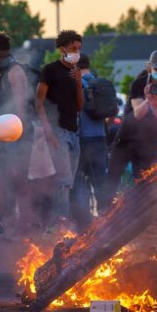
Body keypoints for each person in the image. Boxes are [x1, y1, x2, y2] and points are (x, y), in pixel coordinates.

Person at [104, 50, 157, 207]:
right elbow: (137, 114)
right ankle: (102, 214)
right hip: (125, 139)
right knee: (112, 179)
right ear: (149, 68)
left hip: (147, 143)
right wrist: (148, 99)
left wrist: (155, 102)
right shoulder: (138, 83)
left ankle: (138, 219)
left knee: (143, 183)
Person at [0, 31, 30, 238]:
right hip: (3, 136)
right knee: (3, 180)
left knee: (16, 181)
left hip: (15, 136)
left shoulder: (14, 71)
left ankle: (18, 227)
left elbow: (20, 106)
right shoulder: (1, 72)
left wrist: (15, 137)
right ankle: (7, 226)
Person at [36, 30, 84, 229]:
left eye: (79, 48)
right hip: (58, 131)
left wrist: (79, 82)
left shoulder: (75, 72)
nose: (76, 52)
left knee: (69, 182)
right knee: (63, 181)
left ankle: (60, 222)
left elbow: (80, 106)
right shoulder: (50, 70)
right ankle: (59, 224)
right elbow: (39, 102)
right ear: (62, 49)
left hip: (74, 132)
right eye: (73, 48)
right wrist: (48, 130)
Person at [70, 54, 109, 229]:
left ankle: (84, 226)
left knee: (80, 183)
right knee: (101, 182)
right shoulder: (100, 83)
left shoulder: (76, 84)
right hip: (100, 139)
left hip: (81, 140)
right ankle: (107, 222)